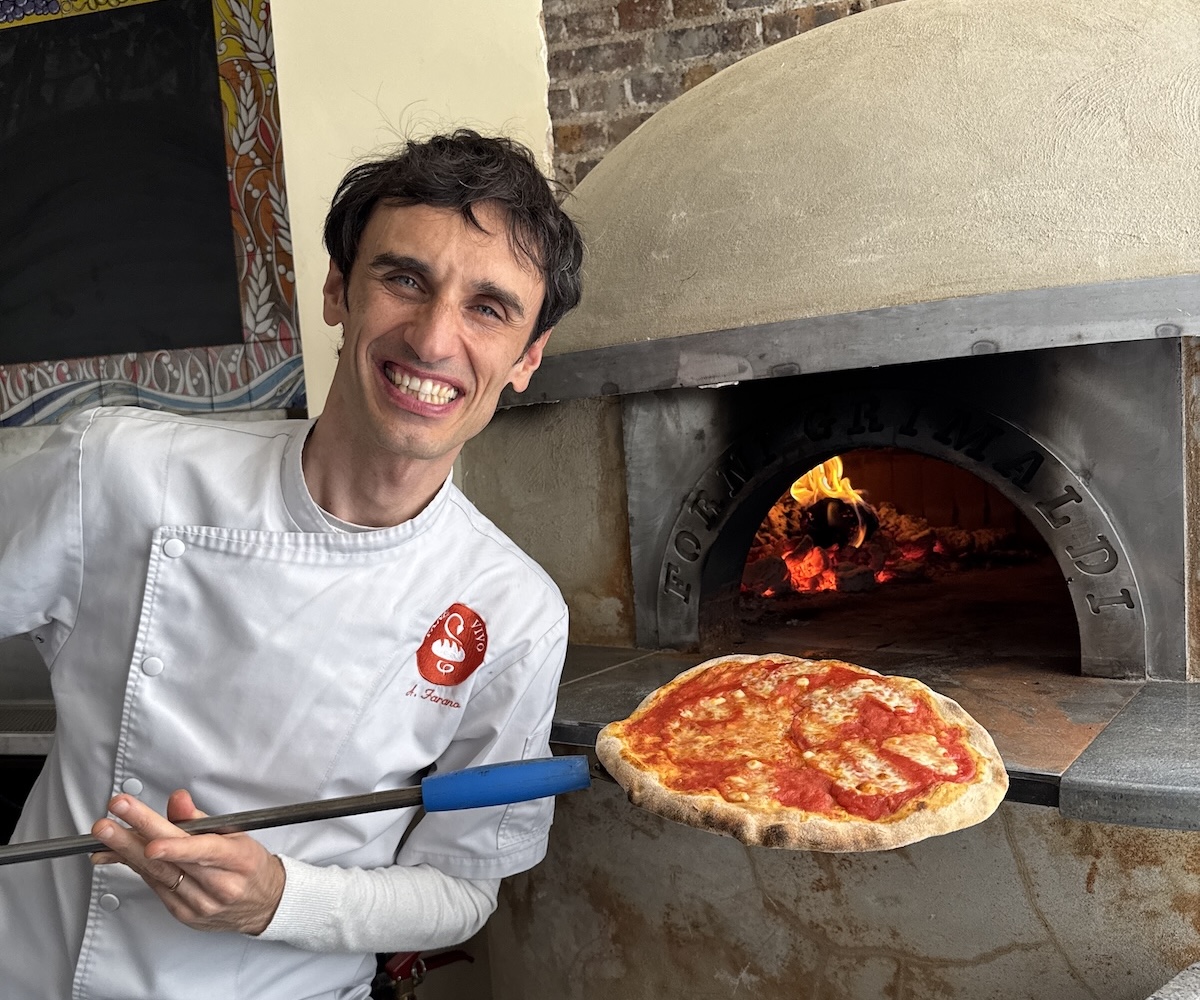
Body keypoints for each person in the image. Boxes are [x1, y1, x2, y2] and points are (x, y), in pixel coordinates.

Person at [0, 129, 584, 1000]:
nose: (434, 339)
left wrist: (281, 900)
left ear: (528, 357)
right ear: (337, 290)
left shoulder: (515, 613)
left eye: (489, 308)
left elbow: (461, 889)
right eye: (404, 279)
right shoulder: (119, 471)